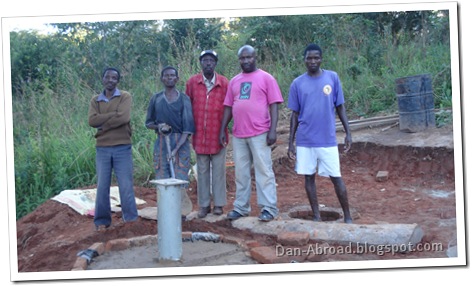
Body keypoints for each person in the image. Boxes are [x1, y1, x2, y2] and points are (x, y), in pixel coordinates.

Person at [287, 43, 353, 224]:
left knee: (336, 177)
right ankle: (316, 215)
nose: (313, 61)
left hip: (327, 139)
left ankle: (347, 216)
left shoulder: (332, 78)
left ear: (321, 59)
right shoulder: (297, 83)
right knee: (309, 178)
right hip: (305, 140)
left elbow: (340, 107)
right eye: (309, 58)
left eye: (316, 57)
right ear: (304, 60)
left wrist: (348, 132)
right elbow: (295, 115)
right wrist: (290, 142)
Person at [219, 45, 283, 222]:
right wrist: (223, 129)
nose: (246, 61)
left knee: (264, 170)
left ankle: (269, 208)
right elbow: (229, 107)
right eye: (242, 58)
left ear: (256, 57)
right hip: (239, 134)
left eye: (249, 57)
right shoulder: (235, 81)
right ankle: (241, 207)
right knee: (241, 172)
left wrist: (273, 130)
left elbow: (274, 105)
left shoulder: (266, 78)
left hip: (260, 132)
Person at [88, 67, 138, 231]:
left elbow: (124, 117)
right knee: (102, 185)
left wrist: (103, 127)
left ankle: (130, 219)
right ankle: (102, 221)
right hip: (102, 148)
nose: (110, 80)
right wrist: (113, 115)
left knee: (125, 184)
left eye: (114, 78)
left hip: (122, 146)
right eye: (107, 77)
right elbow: (92, 121)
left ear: (118, 81)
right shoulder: (96, 100)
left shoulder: (125, 96)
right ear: (102, 79)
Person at [185, 50, 229, 218]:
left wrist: (224, 130)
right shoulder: (192, 83)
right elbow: (187, 107)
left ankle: (218, 205)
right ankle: (204, 205)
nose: (208, 63)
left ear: (216, 63)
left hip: (218, 134)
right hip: (199, 136)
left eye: (211, 60)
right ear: (201, 63)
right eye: (205, 60)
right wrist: (189, 131)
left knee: (218, 171)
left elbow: (228, 108)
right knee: (202, 171)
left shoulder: (224, 83)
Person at [145, 66, 195, 213]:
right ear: (162, 79)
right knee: (162, 175)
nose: (169, 78)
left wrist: (175, 149)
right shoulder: (156, 99)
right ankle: (166, 211)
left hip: (181, 143)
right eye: (166, 76)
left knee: (180, 175)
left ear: (177, 79)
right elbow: (148, 123)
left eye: (172, 76)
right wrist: (159, 126)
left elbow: (187, 129)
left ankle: (180, 213)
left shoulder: (184, 99)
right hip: (161, 142)